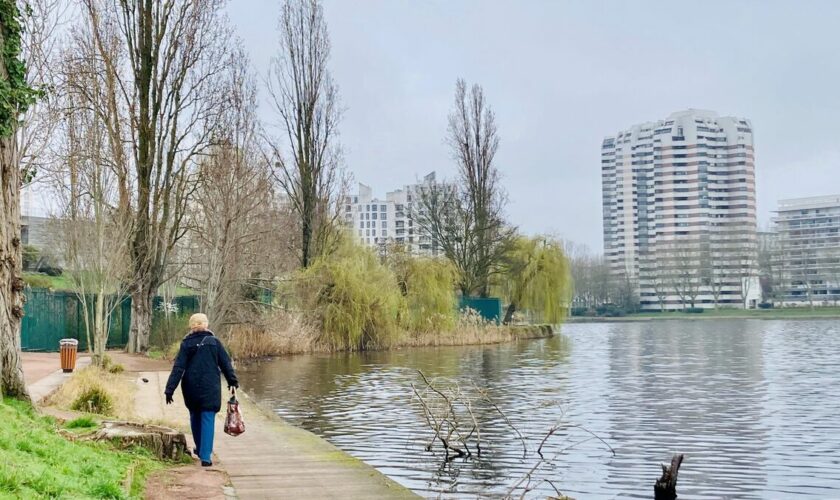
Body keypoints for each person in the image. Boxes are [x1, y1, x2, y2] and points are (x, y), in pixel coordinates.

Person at [164, 313, 238, 467]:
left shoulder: (186, 344)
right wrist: (232, 382)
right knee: (208, 418)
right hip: (210, 386)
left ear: (191, 326)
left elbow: (178, 368)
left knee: (195, 416)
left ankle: (199, 448)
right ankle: (205, 456)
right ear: (206, 324)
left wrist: (169, 389)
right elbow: (226, 364)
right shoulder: (215, 342)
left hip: (190, 386)